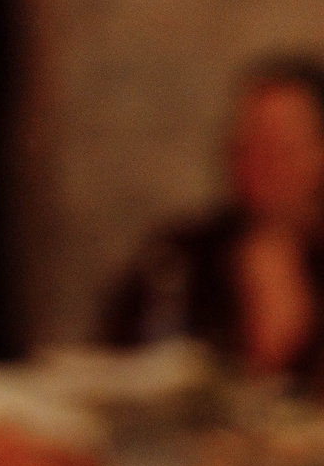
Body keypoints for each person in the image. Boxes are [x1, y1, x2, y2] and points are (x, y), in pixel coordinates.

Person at [100, 57, 324, 386]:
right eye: (250, 143)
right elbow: (118, 365)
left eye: (282, 147)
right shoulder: (180, 256)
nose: (263, 163)